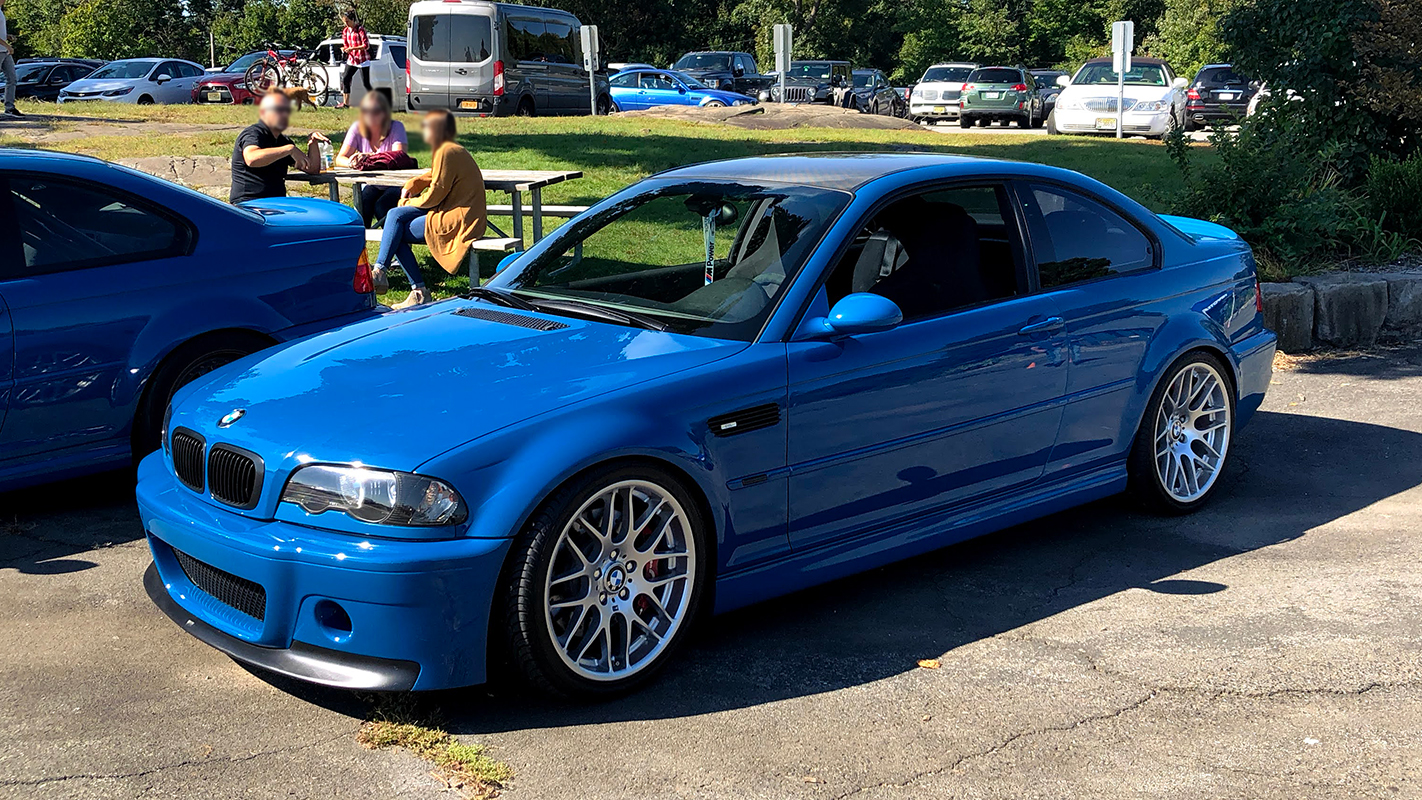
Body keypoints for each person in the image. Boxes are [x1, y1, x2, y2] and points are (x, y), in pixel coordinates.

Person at [373, 110, 487, 310]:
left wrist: (408, 202)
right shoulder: (448, 149)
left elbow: (436, 193)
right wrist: (413, 184)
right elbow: (434, 175)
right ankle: (383, 272)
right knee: (393, 217)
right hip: (451, 210)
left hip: (460, 218)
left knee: (394, 231)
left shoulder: (446, 151)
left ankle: (411, 287)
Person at [230, 93, 329, 205]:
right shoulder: (254, 133)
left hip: (277, 204)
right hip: (249, 204)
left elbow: (312, 169)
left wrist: (312, 142)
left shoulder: (283, 141)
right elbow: (252, 159)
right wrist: (289, 150)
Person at [335, 91, 407, 226]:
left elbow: (399, 156)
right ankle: (361, 244)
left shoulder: (396, 127)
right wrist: (352, 162)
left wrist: (368, 157)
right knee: (362, 204)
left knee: (383, 206)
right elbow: (340, 158)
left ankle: (393, 243)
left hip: (394, 183)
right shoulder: (357, 128)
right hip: (370, 183)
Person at [337, 9, 372, 109]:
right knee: (346, 79)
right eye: (345, 22)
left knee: (366, 83)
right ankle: (345, 103)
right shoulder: (345, 31)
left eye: (348, 21)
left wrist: (353, 48)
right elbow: (346, 44)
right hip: (352, 59)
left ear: (353, 20)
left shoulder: (360, 30)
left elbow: (366, 45)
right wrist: (345, 49)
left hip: (363, 60)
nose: (346, 24)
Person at [0, 0, 20, 118]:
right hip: (2, 50)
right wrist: (7, 45)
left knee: (12, 78)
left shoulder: (1, 12)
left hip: (5, 51)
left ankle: (9, 108)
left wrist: (7, 36)